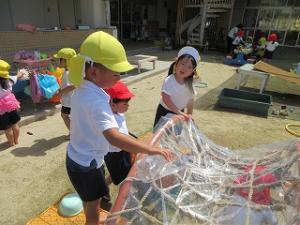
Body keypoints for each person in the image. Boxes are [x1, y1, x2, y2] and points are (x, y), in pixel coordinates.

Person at [66, 31, 173, 225]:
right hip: (87, 164)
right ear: (94, 72)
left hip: (77, 158)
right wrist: (150, 148)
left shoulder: (81, 88)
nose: (119, 77)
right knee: (93, 209)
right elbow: (114, 137)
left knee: (89, 201)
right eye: (116, 74)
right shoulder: (97, 100)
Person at [153, 46, 200, 127]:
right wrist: (180, 113)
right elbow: (166, 99)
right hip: (165, 111)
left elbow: (190, 100)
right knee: (161, 134)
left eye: (189, 67)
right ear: (176, 63)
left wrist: (189, 114)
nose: (184, 68)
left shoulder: (190, 84)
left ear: (192, 72)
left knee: (176, 136)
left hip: (180, 112)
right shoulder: (169, 80)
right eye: (182, 63)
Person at [103, 81, 135, 199]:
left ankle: (103, 187)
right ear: (112, 103)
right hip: (114, 155)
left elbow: (124, 132)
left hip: (122, 151)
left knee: (120, 174)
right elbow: (119, 140)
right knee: (122, 177)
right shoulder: (110, 121)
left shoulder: (118, 113)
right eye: (125, 104)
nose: (128, 106)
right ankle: (125, 197)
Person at [0, 60, 26, 146]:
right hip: (12, 105)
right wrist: (20, 73)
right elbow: (17, 76)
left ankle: (11, 143)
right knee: (15, 124)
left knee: (7, 128)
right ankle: (16, 141)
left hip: (1, 109)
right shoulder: (9, 80)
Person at [53, 48, 76, 138]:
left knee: (64, 115)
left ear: (66, 61)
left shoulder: (67, 73)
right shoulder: (73, 71)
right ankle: (75, 132)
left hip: (69, 100)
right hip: (73, 99)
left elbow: (72, 86)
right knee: (72, 117)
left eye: (60, 59)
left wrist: (60, 92)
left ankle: (73, 134)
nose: (59, 61)